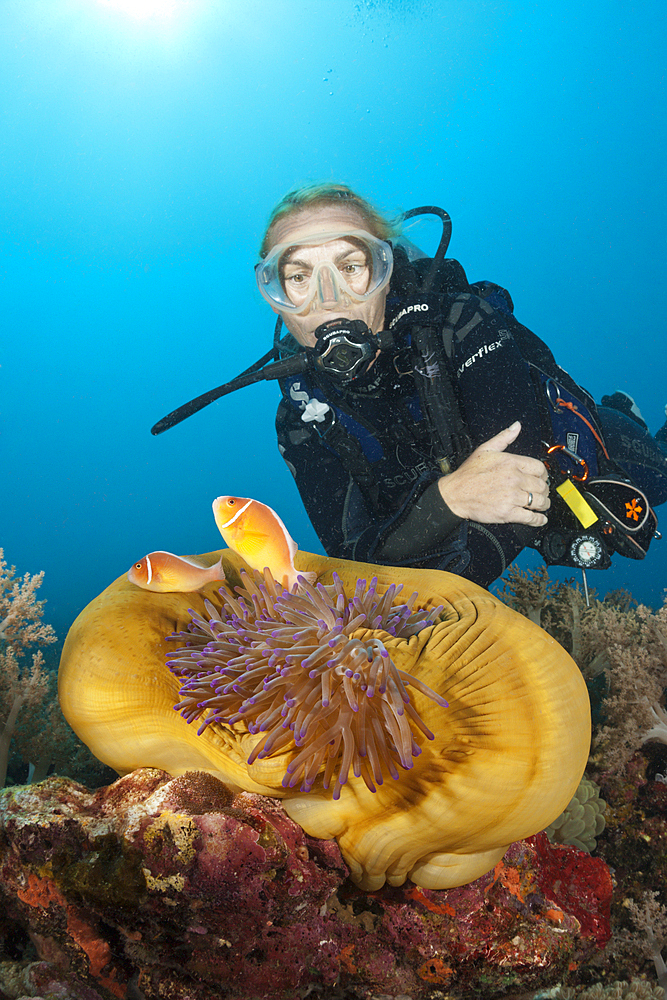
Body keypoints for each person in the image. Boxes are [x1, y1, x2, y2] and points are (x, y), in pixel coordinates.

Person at [255, 183, 666, 588]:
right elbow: (353, 560)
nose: (329, 299)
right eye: (298, 276)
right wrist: (449, 498)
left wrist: (415, 575)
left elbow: (520, 481)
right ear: (274, 295)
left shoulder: (461, 324)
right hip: (457, 524)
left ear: (384, 271)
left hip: (563, 467)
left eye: (350, 267)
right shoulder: (300, 416)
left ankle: (625, 414)